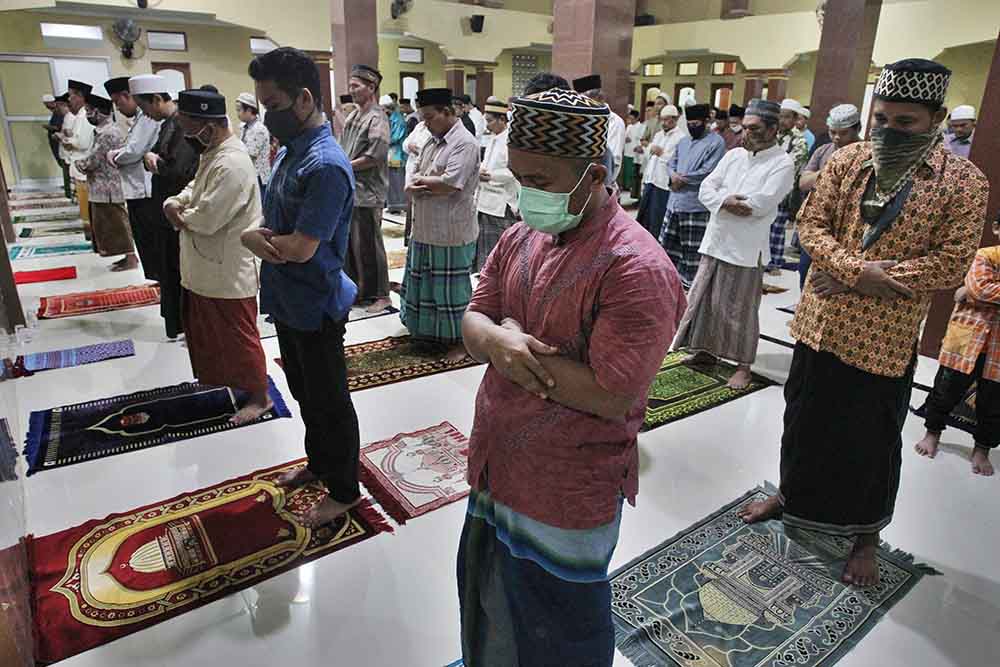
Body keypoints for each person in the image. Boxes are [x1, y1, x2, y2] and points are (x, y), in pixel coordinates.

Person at [458, 87, 686, 666]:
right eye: (518, 176)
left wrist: (506, 351)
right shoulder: (520, 235)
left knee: (561, 628)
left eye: (540, 179)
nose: (526, 193)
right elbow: (472, 320)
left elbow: (611, 395)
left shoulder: (636, 267)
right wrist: (501, 337)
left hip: (566, 483)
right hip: (497, 461)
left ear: (593, 175)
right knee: (492, 601)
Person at [739, 59, 989, 587]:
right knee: (802, 420)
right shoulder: (849, 159)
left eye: (906, 123)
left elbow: (950, 260)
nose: (889, 132)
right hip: (818, 323)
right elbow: (812, 223)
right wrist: (856, 271)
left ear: (937, 119)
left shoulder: (963, 182)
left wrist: (849, 277)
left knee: (869, 441)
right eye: (883, 120)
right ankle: (790, 495)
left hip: (882, 340)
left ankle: (866, 537)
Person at [244, 46, 362, 525]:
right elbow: (275, 221)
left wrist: (254, 239)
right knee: (303, 390)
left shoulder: (325, 165)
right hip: (289, 299)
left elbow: (300, 248)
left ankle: (345, 489)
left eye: (273, 106)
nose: (268, 116)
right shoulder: (292, 153)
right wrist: (260, 233)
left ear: (305, 100)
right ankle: (319, 464)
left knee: (330, 400)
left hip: (317, 301)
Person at [163, 89, 271, 425]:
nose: (187, 135)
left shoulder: (233, 162)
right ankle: (234, 382)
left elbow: (208, 217)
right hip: (205, 263)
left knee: (239, 335)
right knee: (213, 333)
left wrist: (180, 215)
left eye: (190, 126)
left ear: (209, 125)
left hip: (228, 266)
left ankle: (260, 397)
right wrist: (176, 200)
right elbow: (195, 188)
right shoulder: (214, 152)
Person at [673, 99, 795, 389]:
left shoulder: (782, 163)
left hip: (746, 248)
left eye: (754, 128)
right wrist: (727, 200)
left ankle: (743, 366)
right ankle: (705, 353)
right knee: (704, 302)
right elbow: (706, 189)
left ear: (773, 129)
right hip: (715, 241)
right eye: (745, 128)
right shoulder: (733, 156)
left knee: (739, 310)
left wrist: (725, 199)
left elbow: (758, 204)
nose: (746, 134)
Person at [914, 226, 1000, 477]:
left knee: (993, 403)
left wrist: (968, 294)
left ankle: (982, 449)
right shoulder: (986, 255)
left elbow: (972, 292)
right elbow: (980, 288)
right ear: (996, 229)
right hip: (966, 339)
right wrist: (970, 292)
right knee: (945, 389)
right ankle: (932, 433)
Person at [402, 88, 480, 362]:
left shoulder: (464, 142)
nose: (425, 123)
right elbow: (414, 173)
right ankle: (431, 336)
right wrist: (422, 182)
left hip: (450, 231)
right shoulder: (432, 140)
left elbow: (451, 183)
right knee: (424, 284)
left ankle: (464, 342)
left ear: (448, 112)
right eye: (422, 118)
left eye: (430, 117)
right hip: (424, 227)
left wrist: (422, 183)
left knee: (452, 294)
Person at [129, 76, 191, 341]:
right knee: (170, 270)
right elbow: (149, 155)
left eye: (145, 107)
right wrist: (151, 159)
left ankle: (190, 324)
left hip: (177, 208)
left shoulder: (183, 125)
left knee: (180, 270)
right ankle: (179, 324)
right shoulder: (167, 124)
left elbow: (180, 169)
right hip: (163, 208)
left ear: (157, 99)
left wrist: (157, 163)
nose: (146, 114)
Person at [342, 64, 392, 314]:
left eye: (356, 86)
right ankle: (360, 292)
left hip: (369, 192)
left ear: (371, 87)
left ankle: (381, 295)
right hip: (353, 190)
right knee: (353, 245)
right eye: (350, 85)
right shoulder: (353, 115)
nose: (351, 90)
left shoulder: (377, 117)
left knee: (370, 245)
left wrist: (344, 167)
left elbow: (375, 156)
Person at [797, 104, 863, 289]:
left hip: (846, 227)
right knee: (805, 269)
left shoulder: (867, 153)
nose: (836, 137)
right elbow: (803, 182)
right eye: (832, 132)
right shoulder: (823, 150)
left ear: (857, 128)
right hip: (816, 222)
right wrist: (834, 170)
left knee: (834, 274)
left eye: (843, 133)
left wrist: (820, 175)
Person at [661, 103, 727, 287]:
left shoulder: (716, 142)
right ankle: (668, 283)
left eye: (696, 122)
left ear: (707, 121)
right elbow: (670, 163)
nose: (692, 126)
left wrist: (683, 179)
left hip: (695, 206)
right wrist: (673, 176)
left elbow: (709, 171)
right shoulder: (683, 142)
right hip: (674, 203)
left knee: (692, 251)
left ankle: (691, 288)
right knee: (667, 247)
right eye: (689, 122)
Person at [74, 93, 137, 267]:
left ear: (98, 111)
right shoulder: (103, 130)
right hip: (102, 186)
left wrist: (80, 164)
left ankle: (131, 258)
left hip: (109, 187)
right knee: (111, 225)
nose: (87, 115)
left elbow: (95, 159)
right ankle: (126, 256)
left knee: (117, 224)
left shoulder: (109, 132)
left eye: (88, 111)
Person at [109, 75, 164, 279]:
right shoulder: (142, 118)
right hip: (138, 189)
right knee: (146, 240)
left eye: (118, 102)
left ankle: (160, 278)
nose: (118, 108)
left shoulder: (148, 117)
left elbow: (135, 151)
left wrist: (115, 156)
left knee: (151, 239)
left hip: (145, 190)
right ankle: (158, 278)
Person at [765, 98, 810, 273]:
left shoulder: (800, 141)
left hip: (784, 192)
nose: (782, 121)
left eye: (786, 117)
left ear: (795, 119)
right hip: (764, 187)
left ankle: (774, 263)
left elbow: (789, 166)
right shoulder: (771, 136)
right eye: (780, 117)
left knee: (776, 229)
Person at [474, 98, 518, 273]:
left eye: (490, 121)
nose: (488, 125)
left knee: (500, 245)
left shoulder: (510, 141)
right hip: (485, 199)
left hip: (501, 202)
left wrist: (490, 176)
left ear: (502, 119)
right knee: (485, 243)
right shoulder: (493, 139)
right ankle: (486, 275)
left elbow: (514, 171)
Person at [636, 105, 683, 243]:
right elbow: (649, 154)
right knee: (644, 214)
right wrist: (650, 149)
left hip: (663, 183)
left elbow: (677, 161)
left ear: (675, 120)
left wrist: (662, 153)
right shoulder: (658, 135)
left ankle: (654, 245)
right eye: (662, 120)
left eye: (667, 120)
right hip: (650, 179)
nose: (663, 123)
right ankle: (641, 243)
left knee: (657, 217)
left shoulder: (681, 138)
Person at [60, 80, 95, 225]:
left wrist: (66, 141)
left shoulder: (84, 116)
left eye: (71, 95)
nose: (69, 99)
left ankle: (92, 234)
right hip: (79, 166)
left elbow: (83, 143)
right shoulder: (80, 115)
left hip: (83, 166)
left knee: (87, 209)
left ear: (80, 96)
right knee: (83, 205)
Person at [237, 92, 272, 199]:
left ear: (248, 110)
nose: (237, 113)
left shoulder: (259, 129)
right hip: (249, 174)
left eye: (239, 110)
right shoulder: (243, 127)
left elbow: (251, 153)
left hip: (259, 176)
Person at [380, 94, 408, 214]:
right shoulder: (390, 118)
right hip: (390, 154)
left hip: (397, 155)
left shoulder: (398, 120)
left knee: (397, 180)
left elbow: (395, 137)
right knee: (390, 180)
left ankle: (398, 205)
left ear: (388, 108)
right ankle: (392, 205)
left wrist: (381, 140)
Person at [43, 93, 73, 200]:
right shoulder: (64, 116)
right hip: (62, 149)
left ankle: (70, 193)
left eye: (60, 105)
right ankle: (69, 193)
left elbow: (73, 138)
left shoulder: (71, 117)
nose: (58, 108)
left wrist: (59, 135)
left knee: (69, 172)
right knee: (65, 170)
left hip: (70, 152)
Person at [621, 109, 643, 196]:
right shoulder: (629, 126)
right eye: (629, 118)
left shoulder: (640, 127)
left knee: (632, 171)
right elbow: (624, 137)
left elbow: (640, 139)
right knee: (626, 170)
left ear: (637, 118)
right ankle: (625, 186)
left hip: (634, 153)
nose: (630, 120)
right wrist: (625, 139)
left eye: (632, 118)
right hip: (627, 151)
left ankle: (630, 187)